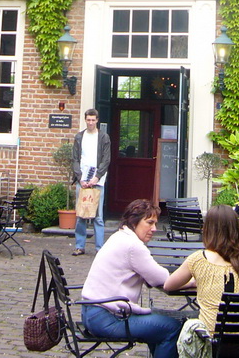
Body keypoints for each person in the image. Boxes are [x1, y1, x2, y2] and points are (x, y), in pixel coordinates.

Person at [81, 199, 182, 358]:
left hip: (90, 313)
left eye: (155, 223)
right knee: (172, 328)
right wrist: (192, 281)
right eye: (149, 223)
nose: (154, 229)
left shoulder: (119, 236)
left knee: (158, 327)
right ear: (134, 222)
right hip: (107, 319)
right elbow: (162, 278)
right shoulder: (133, 245)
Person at [164, 204, 239, 332]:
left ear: (207, 229)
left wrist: (192, 283)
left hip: (211, 342)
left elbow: (168, 285)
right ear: (238, 228)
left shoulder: (198, 259)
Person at [71, 108, 110, 256]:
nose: (91, 122)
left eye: (93, 120)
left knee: (98, 216)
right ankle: (79, 246)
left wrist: (97, 177)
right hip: (82, 180)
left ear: (97, 120)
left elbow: (106, 159)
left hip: (97, 181)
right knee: (81, 214)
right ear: (85, 120)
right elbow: (75, 159)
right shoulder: (79, 137)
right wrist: (80, 177)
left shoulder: (104, 137)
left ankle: (99, 248)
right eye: (88, 120)